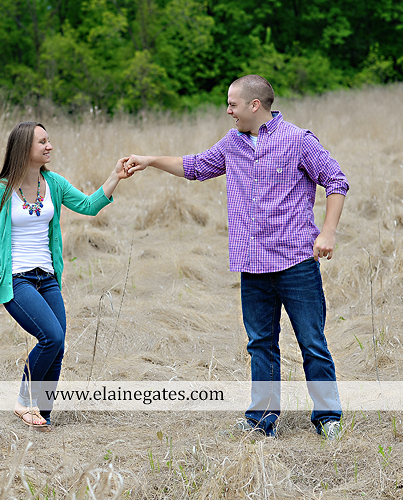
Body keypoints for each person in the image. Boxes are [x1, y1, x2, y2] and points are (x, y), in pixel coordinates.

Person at [126, 75, 349, 440]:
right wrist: (150, 160)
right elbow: (196, 167)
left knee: (312, 341)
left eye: (233, 104)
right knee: (261, 344)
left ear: (254, 105)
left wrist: (327, 232)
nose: (228, 111)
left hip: (296, 262)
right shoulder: (233, 144)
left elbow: (336, 181)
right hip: (253, 264)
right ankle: (263, 420)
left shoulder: (298, 140)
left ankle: (327, 417)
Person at [0, 121, 131, 431]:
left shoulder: (55, 184)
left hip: (47, 278)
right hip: (15, 278)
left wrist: (115, 177)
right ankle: (25, 400)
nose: (49, 146)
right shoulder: (1, 191)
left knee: (58, 345)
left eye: (49, 141)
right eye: (42, 142)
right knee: (51, 337)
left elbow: (89, 206)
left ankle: (42, 416)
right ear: (25, 149)